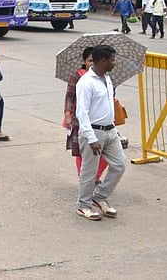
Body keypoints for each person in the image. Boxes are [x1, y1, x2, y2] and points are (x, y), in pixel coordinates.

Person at [75, 44, 126, 221]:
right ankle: (83, 205)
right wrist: (91, 137)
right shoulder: (86, 83)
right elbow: (81, 113)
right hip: (94, 132)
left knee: (119, 165)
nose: (114, 63)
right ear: (103, 61)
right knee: (89, 171)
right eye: (112, 59)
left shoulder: (108, 78)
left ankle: (100, 196)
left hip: (110, 130)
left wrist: (114, 129)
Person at [65, 47, 109, 179]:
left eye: (95, 60)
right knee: (81, 152)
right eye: (90, 60)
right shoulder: (78, 76)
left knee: (105, 154)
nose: (92, 63)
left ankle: (95, 178)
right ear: (84, 61)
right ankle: (83, 178)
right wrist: (68, 115)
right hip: (80, 120)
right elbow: (69, 96)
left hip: (101, 121)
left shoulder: (105, 77)